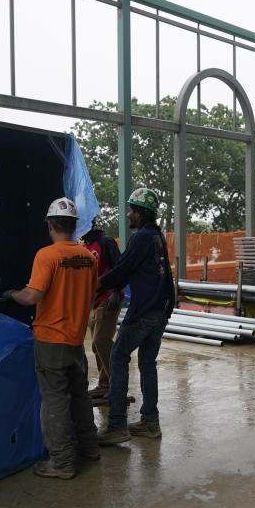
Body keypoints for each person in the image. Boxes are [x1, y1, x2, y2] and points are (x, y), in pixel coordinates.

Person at [3, 197, 99, 479]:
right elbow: (91, 293)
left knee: (55, 400)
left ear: (49, 224)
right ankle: (90, 448)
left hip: (51, 339)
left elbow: (33, 295)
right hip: (75, 340)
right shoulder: (87, 257)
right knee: (80, 396)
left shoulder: (47, 256)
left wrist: (12, 295)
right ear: (74, 225)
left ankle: (61, 463)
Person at [96, 188, 175, 445]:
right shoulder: (156, 237)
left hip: (144, 311)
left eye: (131, 210)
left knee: (118, 356)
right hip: (160, 310)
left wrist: (94, 285)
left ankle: (117, 425)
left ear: (140, 214)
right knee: (147, 363)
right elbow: (166, 275)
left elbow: (122, 269)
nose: (128, 214)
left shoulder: (141, 237)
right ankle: (150, 422)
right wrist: (169, 307)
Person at [81, 217, 124, 396]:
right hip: (94, 300)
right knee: (95, 346)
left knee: (102, 341)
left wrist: (116, 291)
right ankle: (104, 383)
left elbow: (120, 267)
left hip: (109, 298)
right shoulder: (85, 245)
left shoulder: (105, 242)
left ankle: (117, 385)